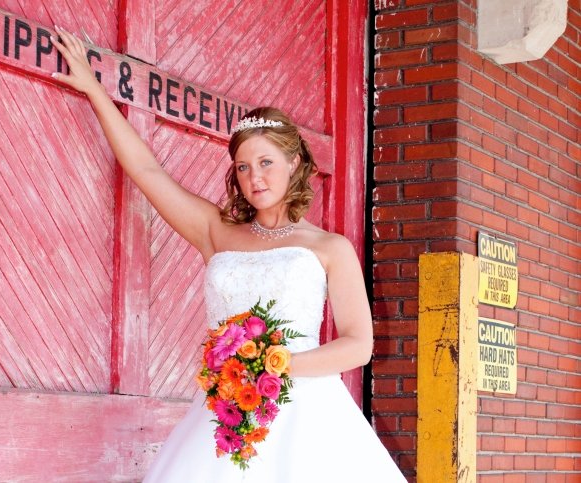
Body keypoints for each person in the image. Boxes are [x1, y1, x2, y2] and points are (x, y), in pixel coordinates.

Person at [51, 27, 406, 483]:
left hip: (308, 420)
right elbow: (145, 170)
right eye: (242, 167)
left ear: (294, 163)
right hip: (222, 413)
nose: (254, 177)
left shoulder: (329, 248)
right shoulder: (216, 231)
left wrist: (273, 364)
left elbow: (359, 345)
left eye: (265, 163)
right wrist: (95, 90)